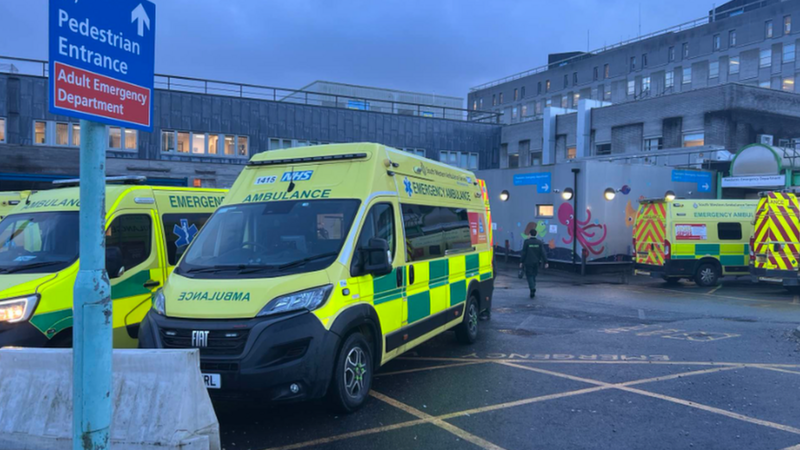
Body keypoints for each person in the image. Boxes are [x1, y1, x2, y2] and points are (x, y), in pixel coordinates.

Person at [520, 229, 548, 298]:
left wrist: (521, 262)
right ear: (536, 234)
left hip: (528, 262)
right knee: (534, 275)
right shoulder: (539, 242)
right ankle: (533, 286)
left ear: (529, 234)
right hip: (536, 262)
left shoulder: (526, 242)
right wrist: (546, 262)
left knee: (529, 276)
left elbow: (524, 253)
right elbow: (543, 253)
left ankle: (532, 288)